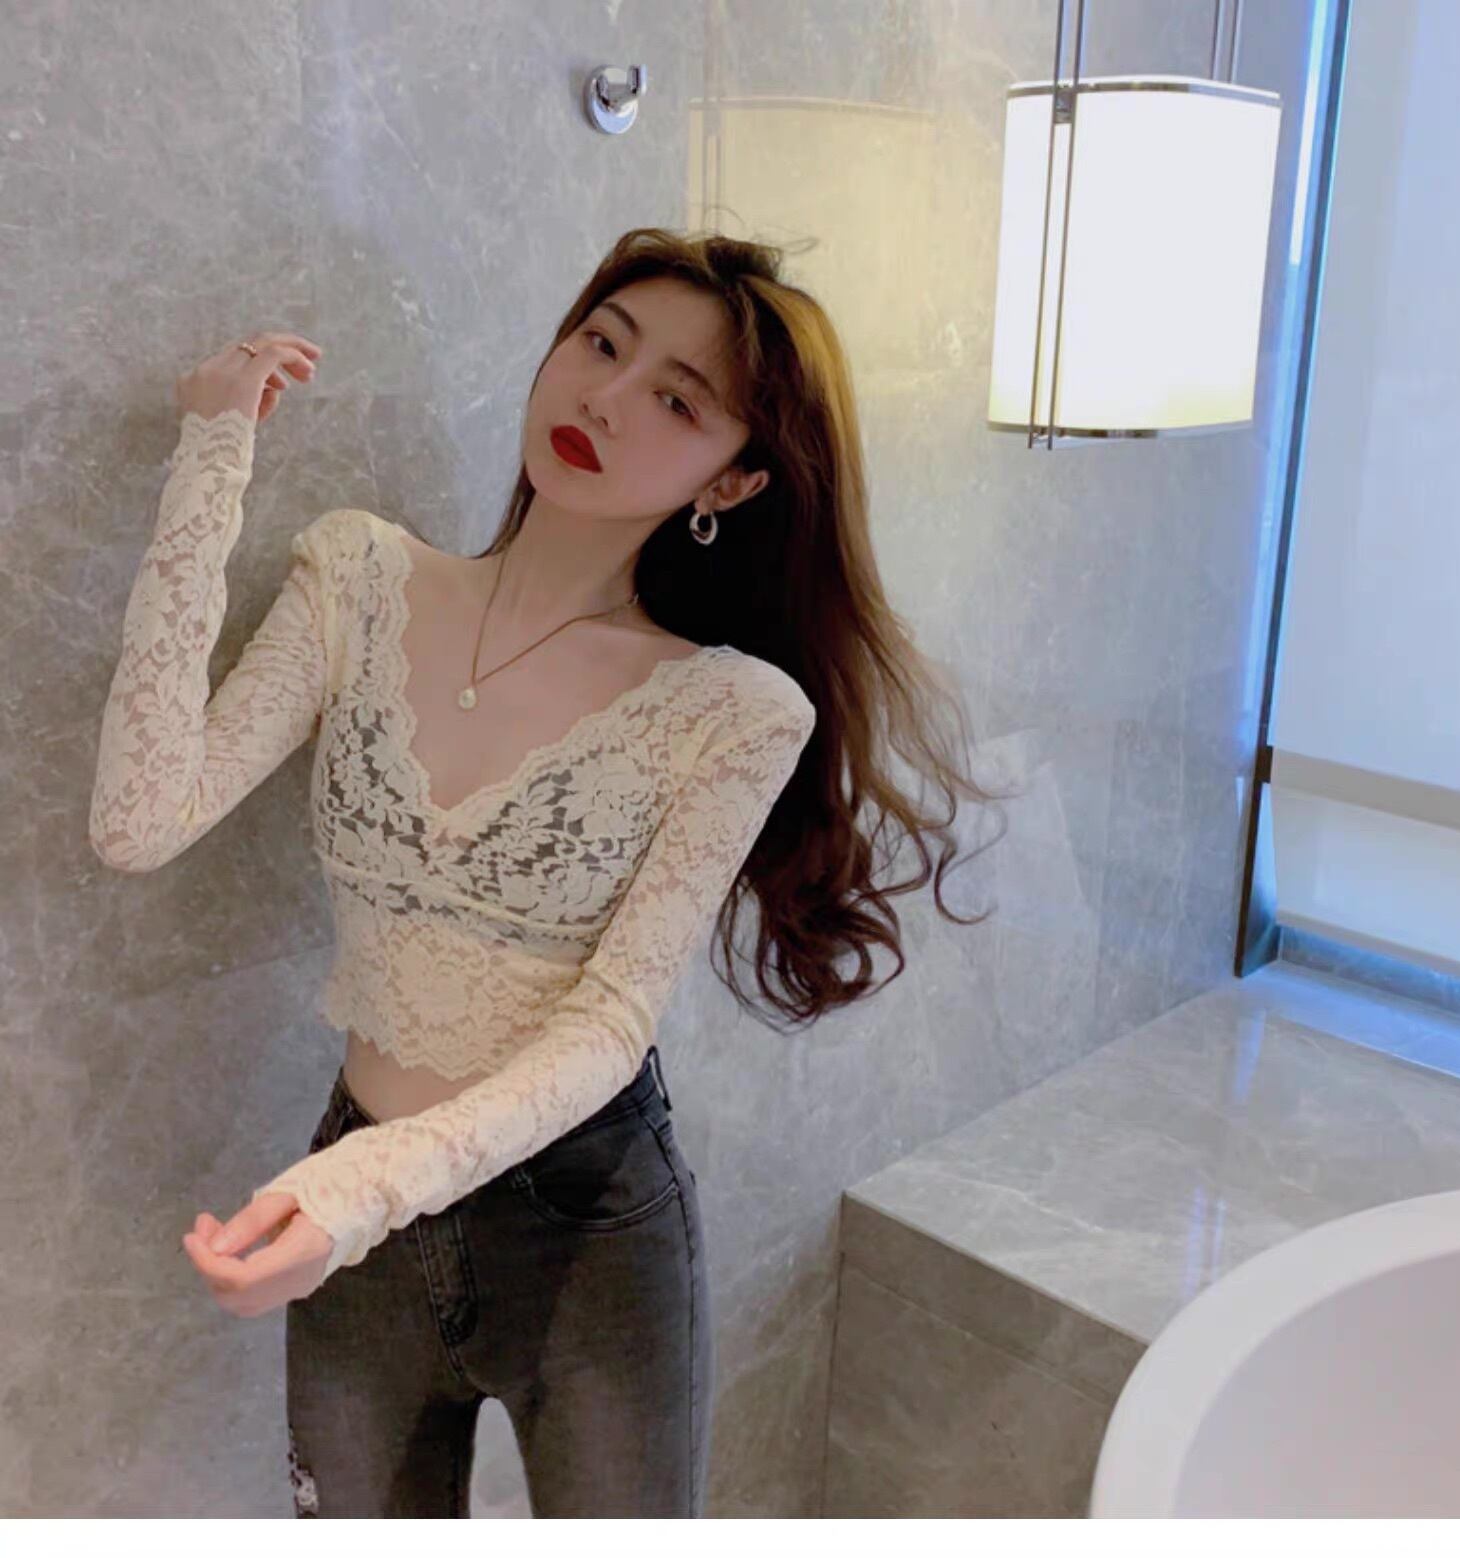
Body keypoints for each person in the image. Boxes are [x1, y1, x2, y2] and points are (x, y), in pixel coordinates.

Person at [88, 227, 1014, 1517]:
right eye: (601, 344)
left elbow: (609, 1025)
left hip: (585, 1225)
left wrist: (361, 1192)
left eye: (677, 401)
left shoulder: (734, 713)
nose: (606, 399)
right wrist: (212, 446)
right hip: (354, 1203)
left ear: (734, 480)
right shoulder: (360, 576)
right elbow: (138, 818)